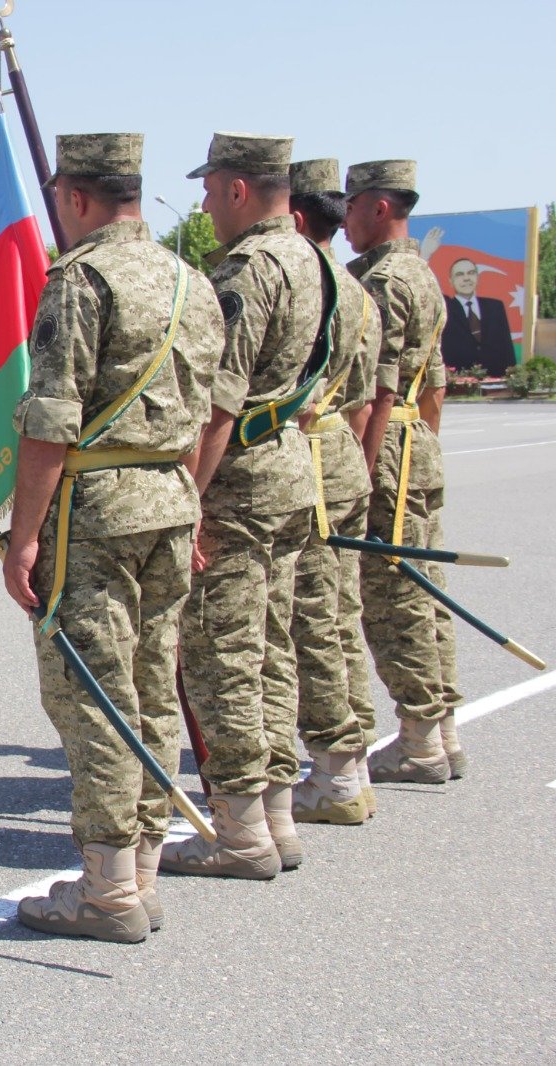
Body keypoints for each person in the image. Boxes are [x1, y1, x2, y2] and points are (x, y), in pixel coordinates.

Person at [0, 134, 222, 942]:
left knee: (92, 697)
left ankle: (106, 891)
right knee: (152, 688)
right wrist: (184, 500)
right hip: (170, 500)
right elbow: (202, 411)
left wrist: (23, 539)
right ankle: (143, 873)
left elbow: (51, 421)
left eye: (59, 200)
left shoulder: (79, 280)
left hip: (94, 513)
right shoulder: (192, 282)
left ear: (78, 199)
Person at [162, 132, 324, 879]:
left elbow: (222, 398)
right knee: (270, 647)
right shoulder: (307, 257)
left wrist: (189, 499)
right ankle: (277, 816)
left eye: (208, 187)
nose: (201, 202)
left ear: (235, 188)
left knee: (222, 655)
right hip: (287, 472)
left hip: (240, 481)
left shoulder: (250, 268)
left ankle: (239, 834)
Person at [344, 159, 460, 784]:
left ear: (379, 207)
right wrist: (424, 446)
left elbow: (378, 388)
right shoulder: (422, 273)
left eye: (353, 205)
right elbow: (433, 385)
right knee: (425, 590)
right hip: (416, 443)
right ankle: (441, 729)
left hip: (386, 444)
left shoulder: (385, 280)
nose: (346, 219)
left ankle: (419, 739)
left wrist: (364, 472)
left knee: (394, 598)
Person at [286, 159, 382, 824]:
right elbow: (369, 395)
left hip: (310, 460)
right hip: (341, 454)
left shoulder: (302, 286)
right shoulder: (355, 289)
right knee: (338, 614)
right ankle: (350, 753)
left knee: (313, 621)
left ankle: (337, 774)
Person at [440, 257, 515, 377]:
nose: (466, 278)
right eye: (460, 274)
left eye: (471, 273)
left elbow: (506, 346)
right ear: (450, 281)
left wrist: (512, 375)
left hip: (495, 380)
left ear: (477, 277)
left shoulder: (495, 306)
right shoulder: (445, 307)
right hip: (459, 382)